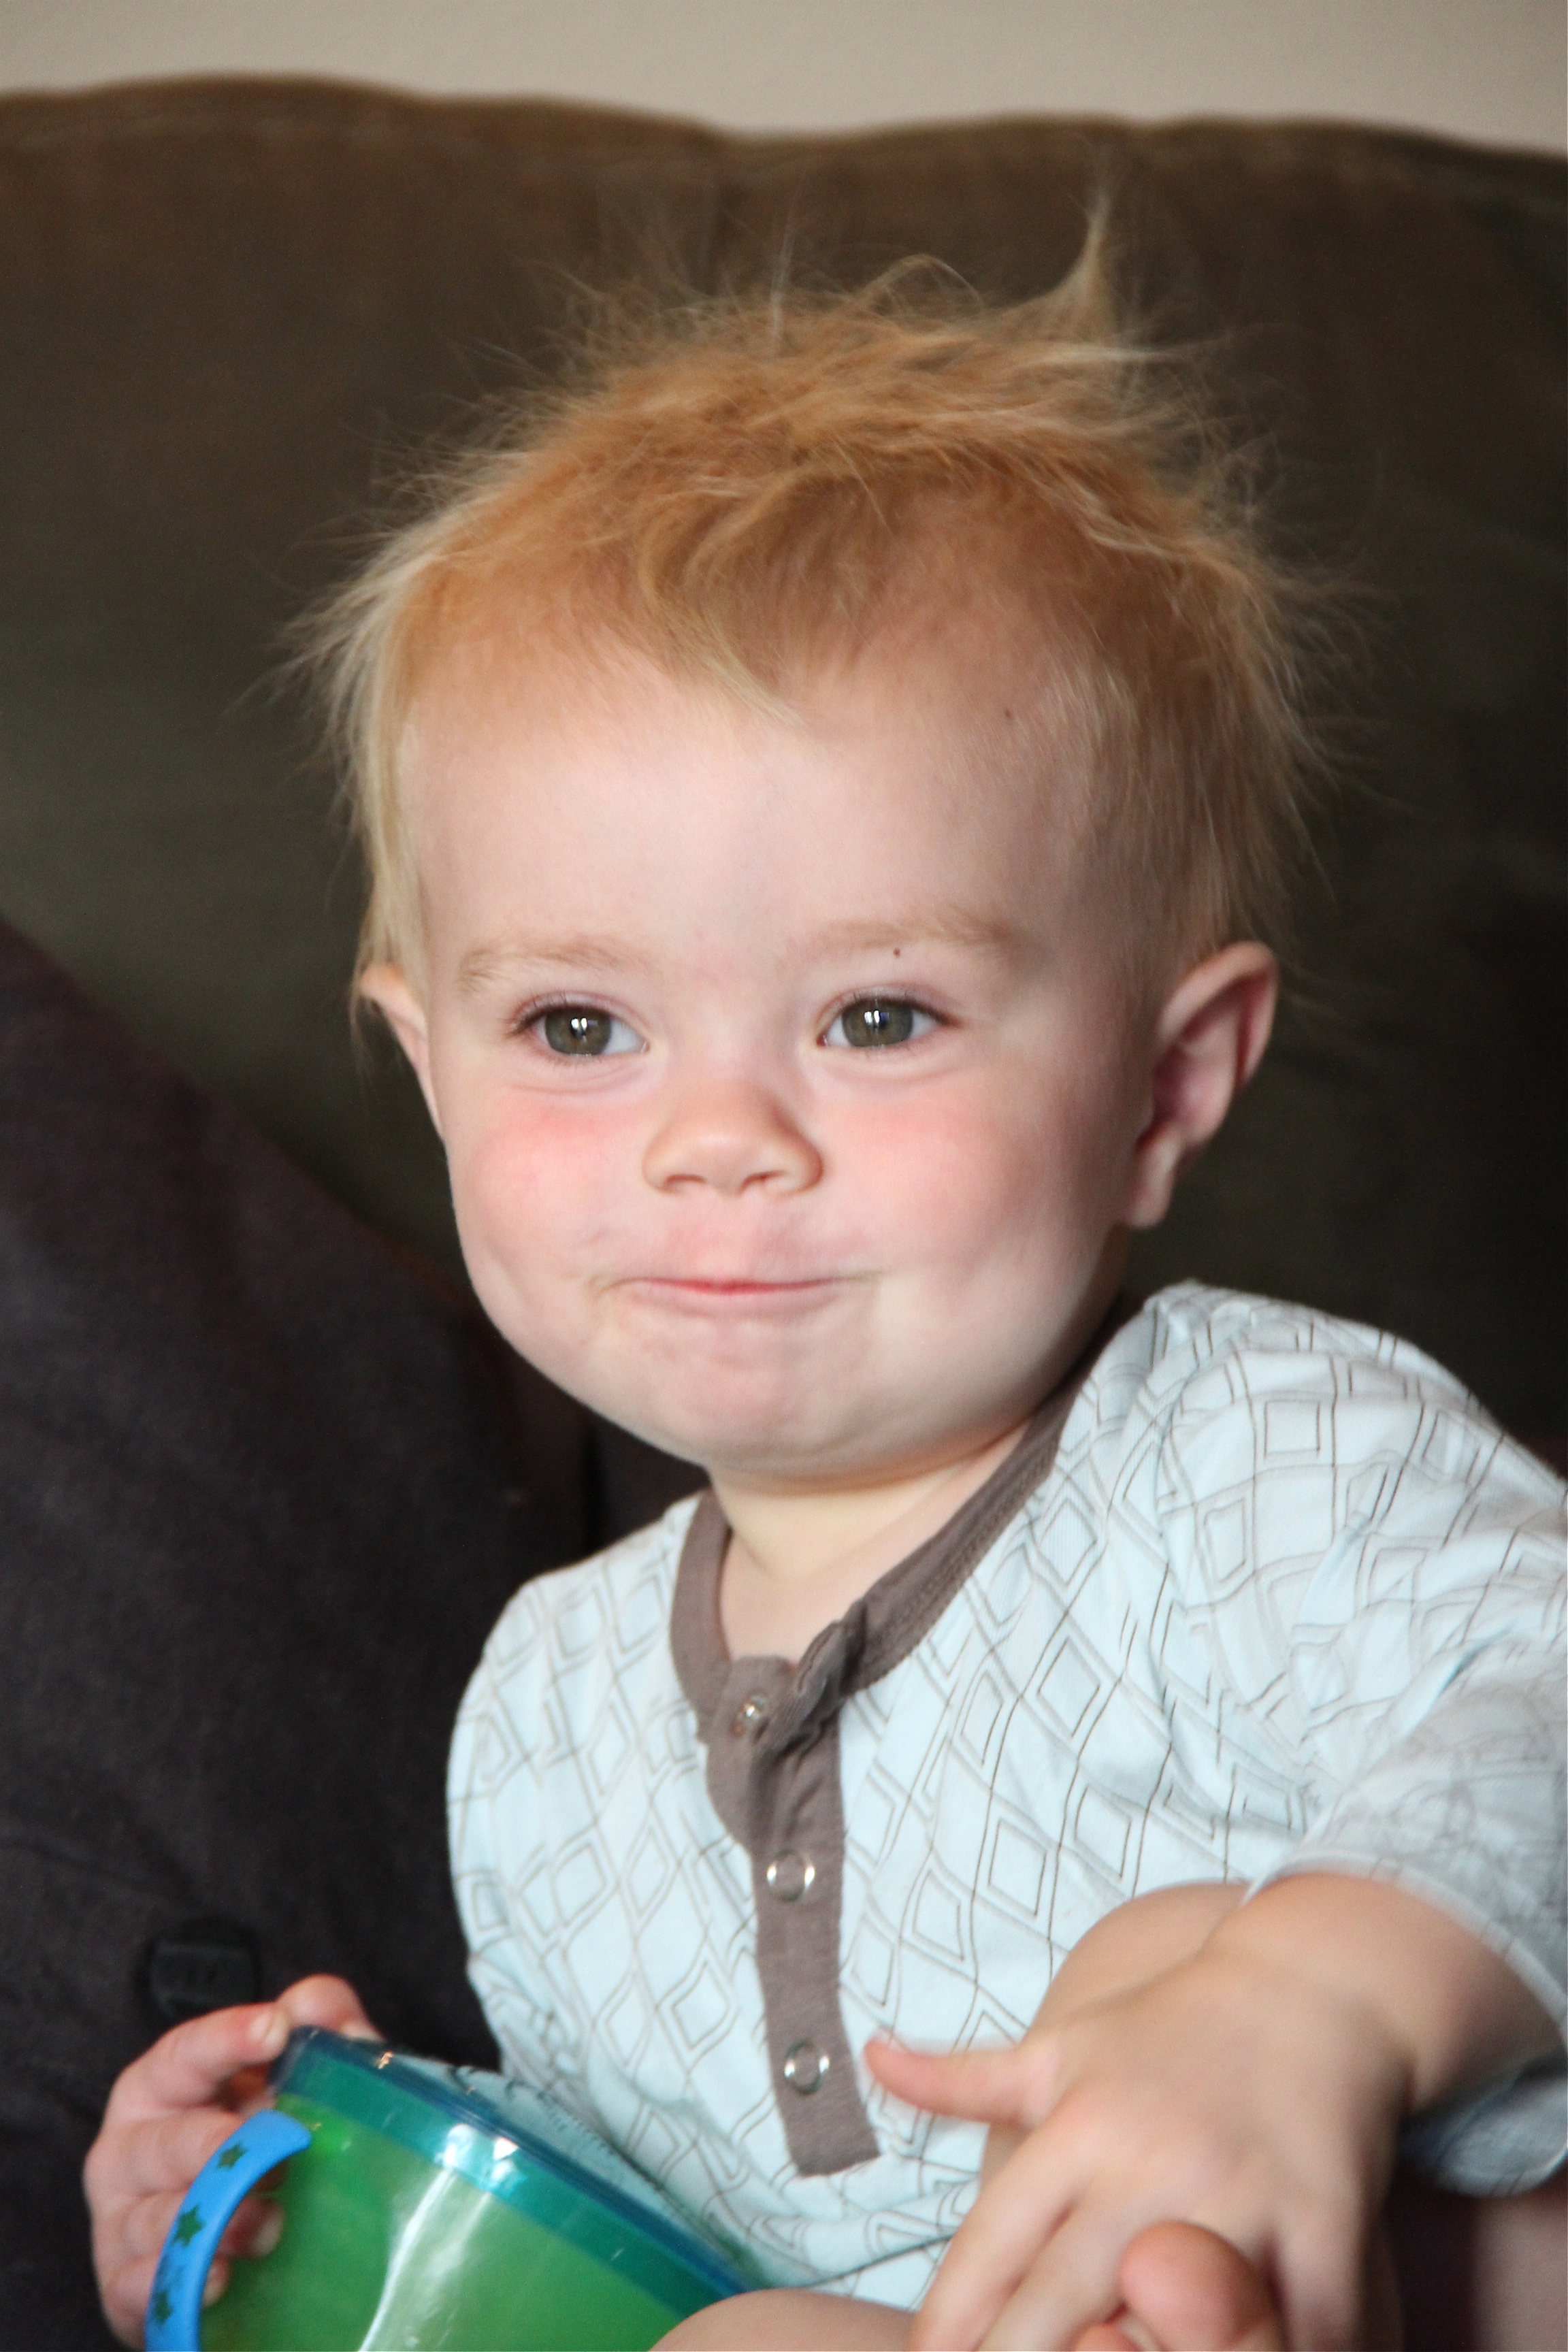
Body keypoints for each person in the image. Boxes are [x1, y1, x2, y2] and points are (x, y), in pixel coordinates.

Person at [84, 241, 1565, 2350]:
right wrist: (297, 2198)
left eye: (878, 1016)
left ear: (1164, 1089)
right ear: (429, 1074)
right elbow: (657, 2236)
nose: (719, 1138)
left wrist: (1311, 1998)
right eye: (580, 1028)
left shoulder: (1261, 1455)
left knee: (1156, 1970)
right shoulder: (545, 1718)